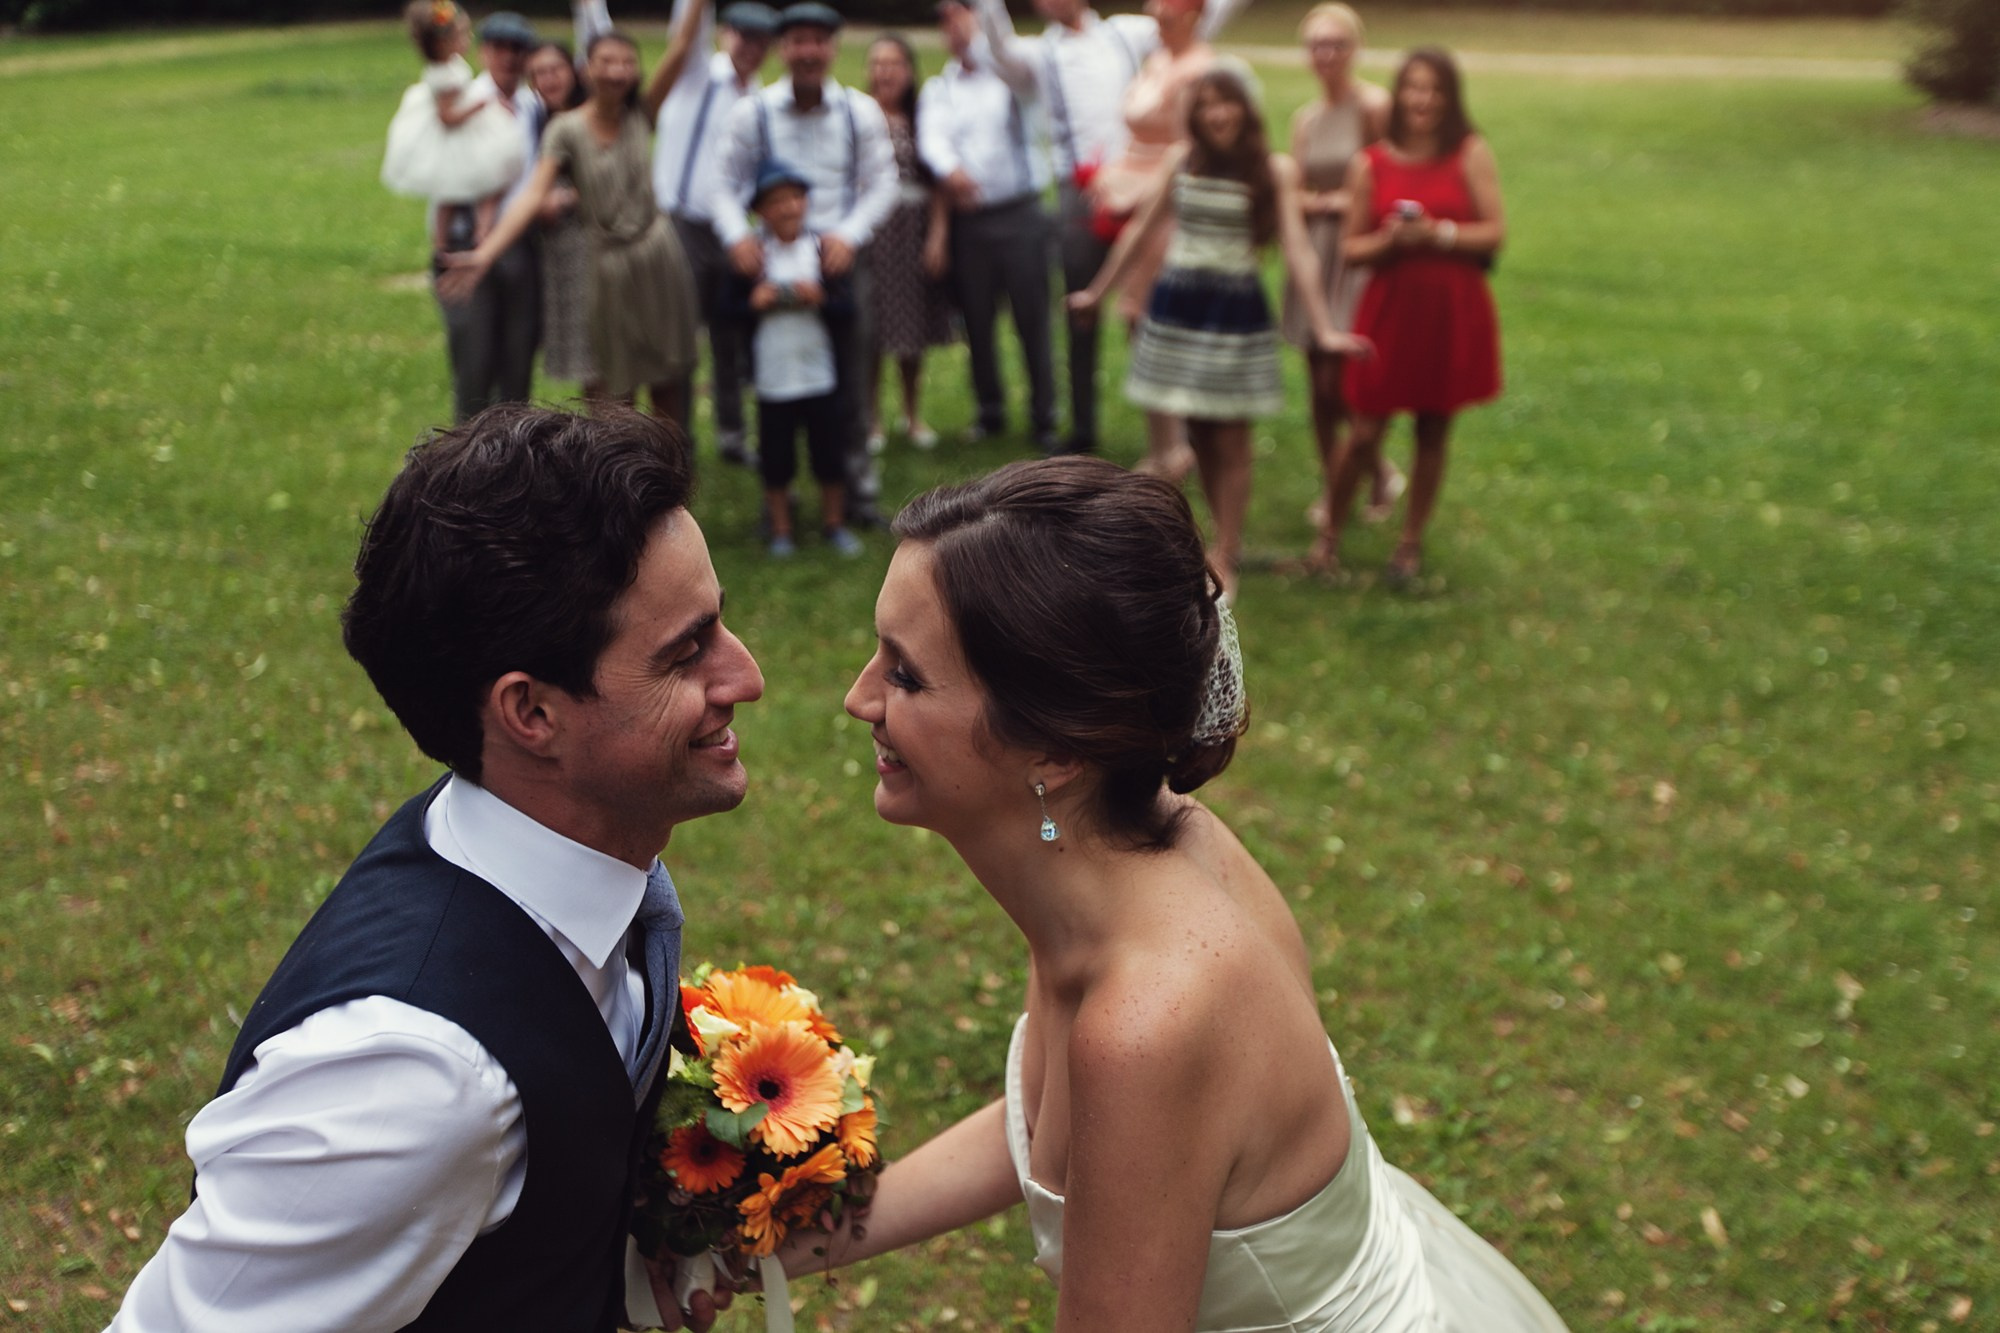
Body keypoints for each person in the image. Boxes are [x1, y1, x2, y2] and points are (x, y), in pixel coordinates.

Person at [781, 455, 1571, 1331]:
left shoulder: (1148, 1022)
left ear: (1053, 749)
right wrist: (778, 1247)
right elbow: (1051, 1128)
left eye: (905, 674)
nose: (858, 696)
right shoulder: (1137, 854)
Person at [104, 405, 763, 1332]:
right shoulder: (415, 1077)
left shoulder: (582, 872)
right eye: (685, 652)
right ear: (530, 713)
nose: (747, 675)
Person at [1071, 65, 1361, 601]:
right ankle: (1216, 537)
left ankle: (1228, 549)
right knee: (1199, 431)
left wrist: (1323, 326)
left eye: (1226, 103)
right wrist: (1097, 292)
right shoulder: (1184, 160)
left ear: (1245, 110)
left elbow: (1297, 248)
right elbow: (1141, 228)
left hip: (1234, 315)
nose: (1217, 114)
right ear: (1195, 115)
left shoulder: (1272, 169)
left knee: (1233, 436)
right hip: (1179, 309)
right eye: (1206, 105)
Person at [974, 0, 1242, 456]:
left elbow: (1192, 21)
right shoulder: (1042, 53)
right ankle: (1082, 426)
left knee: (1148, 310)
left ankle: (1174, 433)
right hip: (1079, 193)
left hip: (1143, 189)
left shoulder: (1125, 33)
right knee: (1081, 305)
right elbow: (1000, 50)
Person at [443, 29, 702, 427]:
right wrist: (484, 254)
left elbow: (681, 46)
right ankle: (618, 480)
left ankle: (672, 479)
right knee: (612, 394)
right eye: (607, 61)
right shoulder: (565, 130)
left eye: (627, 62)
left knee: (667, 379)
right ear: (586, 70)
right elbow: (531, 196)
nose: (617, 71)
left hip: (657, 259)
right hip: (607, 269)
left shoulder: (642, 113)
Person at [1314, 48, 1505, 588]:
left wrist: (1438, 234)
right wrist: (1390, 240)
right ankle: (1328, 533)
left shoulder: (1470, 152)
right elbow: (1351, 249)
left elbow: (1494, 232)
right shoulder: (1371, 162)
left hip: (1450, 308)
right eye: (1414, 88)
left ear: (1450, 98)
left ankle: (1410, 542)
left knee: (1434, 425)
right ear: (1399, 95)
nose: (1424, 100)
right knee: (1365, 428)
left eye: (1435, 90)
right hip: (1390, 309)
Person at [709, 2, 903, 525]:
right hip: (771, 262)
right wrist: (736, 237)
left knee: (852, 375)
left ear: (833, 48)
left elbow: (884, 182)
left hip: (837, 262)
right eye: (798, 41)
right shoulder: (754, 112)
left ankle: (856, 493)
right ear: (783, 49)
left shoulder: (858, 112)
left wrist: (850, 234)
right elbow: (722, 183)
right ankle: (782, 491)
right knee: (771, 375)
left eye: (819, 41)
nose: (809, 52)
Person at [588, 0, 780, 466]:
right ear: (723, 36)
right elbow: (686, 33)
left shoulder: (758, 96)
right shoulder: (699, 74)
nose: (750, 49)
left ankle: (733, 434)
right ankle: (678, 442)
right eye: (742, 37)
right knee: (677, 343)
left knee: (731, 336)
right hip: (680, 227)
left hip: (733, 232)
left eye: (760, 42)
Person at [1283, 2, 1403, 538]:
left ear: (1355, 49)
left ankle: (1371, 473)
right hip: (1314, 253)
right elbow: (1295, 191)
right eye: (1316, 45)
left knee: (1344, 380)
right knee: (1317, 385)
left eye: (1336, 44)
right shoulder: (1306, 119)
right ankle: (1344, 483)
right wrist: (1319, 202)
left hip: (1353, 253)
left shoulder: (1373, 105)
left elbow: (1390, 177)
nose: (1326, 54)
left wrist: (1333, 202)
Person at [921, 0, 1058, 450]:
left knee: (1032, 317)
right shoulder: (941, 87)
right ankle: (990, 410)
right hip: (970, 223)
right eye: (945, 20)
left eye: (960, 14)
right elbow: (932, 138)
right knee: (977, 321)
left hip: (1019, 212)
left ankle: (1045, 416)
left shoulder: (1009, 74)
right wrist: (950, 169)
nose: (953, 27)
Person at [723, 160, 865, 559]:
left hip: (819, 373)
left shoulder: (822, 250)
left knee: (828, 451)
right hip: (773, 377)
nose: (788, 208)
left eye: (794, 198)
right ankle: (781, 528)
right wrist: (754, 301)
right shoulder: (752, 256)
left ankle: (834, 522)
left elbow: (847, 308)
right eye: (777, 201)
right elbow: (727, 310)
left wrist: (821, 298)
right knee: (776, 454)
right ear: (761, 211)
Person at [422, 10, 546, 424]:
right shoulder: (467, 100)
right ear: (484, 51)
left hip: (521, 245)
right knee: (474, 362)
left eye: (518, 50)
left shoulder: (534, 106)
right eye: (500, 49)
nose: (509, 59)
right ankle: (465, 463)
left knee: (518, 359)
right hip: (466, 244)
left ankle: (515, 464)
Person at [861, 31, 952, 455]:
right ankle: (871, 418)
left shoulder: (924, 118)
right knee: (874, 328)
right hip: (873, 234)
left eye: (894, 63)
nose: (885, 71)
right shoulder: (858, 117)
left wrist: (937, 236)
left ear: (910, 71)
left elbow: (937, 185)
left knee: (911, 328)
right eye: (878, 63)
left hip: (913, 233)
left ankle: (913, 414)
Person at [381, 0, 526, 256]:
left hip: (464, 134)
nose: (468, 39)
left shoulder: (450, 68)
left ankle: (471, 234)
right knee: (470, 186)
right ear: (443, 43)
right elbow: (446, 116)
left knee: (483, 182)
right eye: (462, 34)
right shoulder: (445, 76)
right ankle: (454, 239)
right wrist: (477, 107)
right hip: (456, 138)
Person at [525, 37, 599, 388]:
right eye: (539, 73)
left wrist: (565, 198)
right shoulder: (539, 118)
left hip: (593, 247)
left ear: (573, 72)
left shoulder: (592, 116)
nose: (548, 79)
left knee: (603, 356)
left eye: (554, 70)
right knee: (586, 362)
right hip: (558, 252)